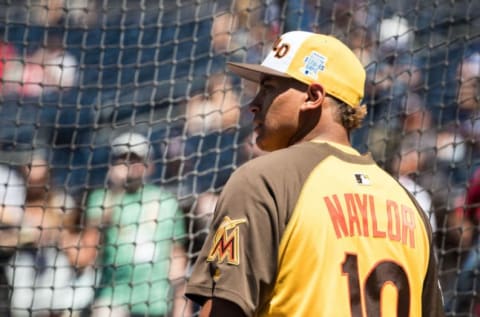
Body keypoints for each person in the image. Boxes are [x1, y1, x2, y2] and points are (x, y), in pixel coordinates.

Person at [185, 30, 444, 316]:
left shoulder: (263, 181)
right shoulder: (409, 203)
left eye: (269, 88)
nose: (254, 103)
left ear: (313, 96)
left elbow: (224, 311)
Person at [62, 132, 190, 317]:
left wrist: (181, 308)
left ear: (149, 165)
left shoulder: (165, 201)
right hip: (114, 298)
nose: (129, 165)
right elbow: (85, 256)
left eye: (135, 159)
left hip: (156, 300)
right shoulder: (102, 199)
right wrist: (114, 191)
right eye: (122, 158)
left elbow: (177, 259)